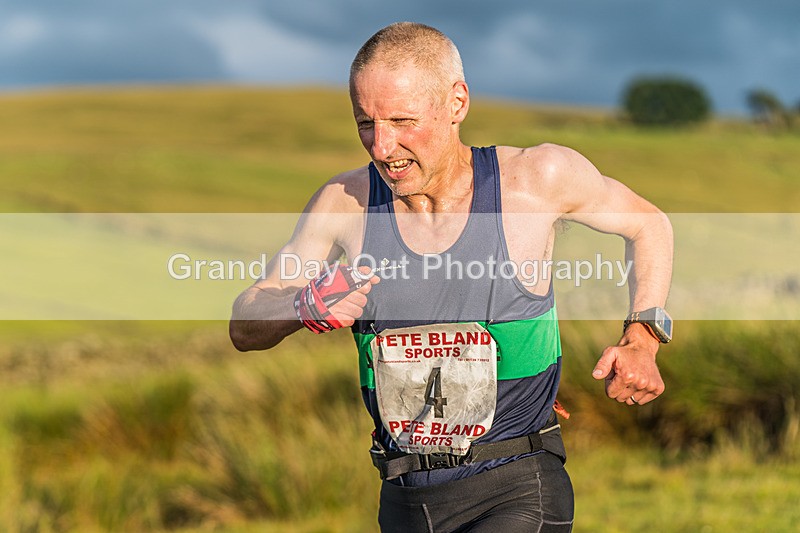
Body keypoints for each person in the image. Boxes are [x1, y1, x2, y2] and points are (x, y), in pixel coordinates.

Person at [230, 21, 673, 533]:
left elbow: (648, 224)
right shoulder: (344, 203)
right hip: (404, 499)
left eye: (402, 121)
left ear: (457, 102)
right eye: (365, 123)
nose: (381, 146)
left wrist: (643, 337)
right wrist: (303, 306)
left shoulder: (536, 180)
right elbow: (245, 323)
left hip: (517, 484)